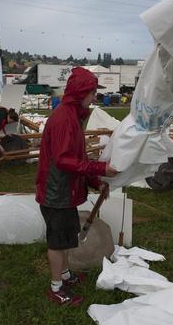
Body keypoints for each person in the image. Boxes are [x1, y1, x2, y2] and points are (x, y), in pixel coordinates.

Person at [35, 67, 118, 306]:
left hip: (64, 191)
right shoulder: (64, 118)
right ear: (81, 92)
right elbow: (63, 160)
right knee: (58, 242)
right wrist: (100, 170)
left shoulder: (73, 115)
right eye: (92, 92)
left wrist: (94, 181)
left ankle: (65, 275)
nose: (94, 97)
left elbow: (76, 156)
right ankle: (56, 288)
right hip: (56, 192)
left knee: (66, 239)